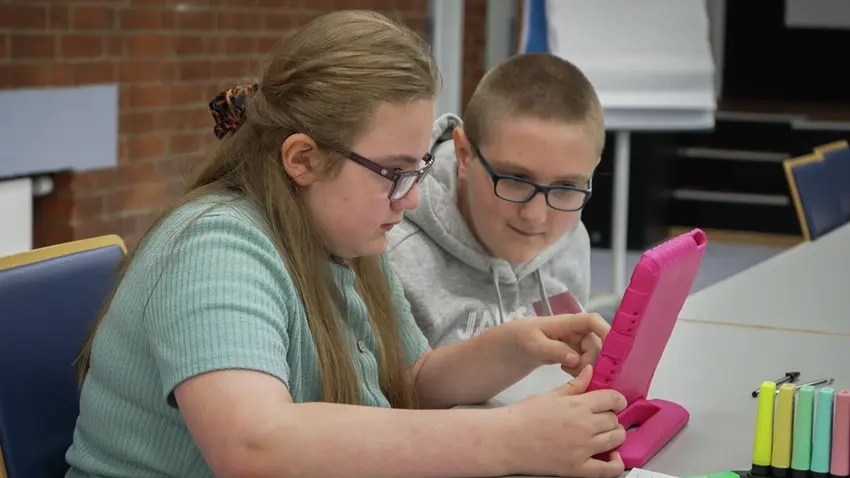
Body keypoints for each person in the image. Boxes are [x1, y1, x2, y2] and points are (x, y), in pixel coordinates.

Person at [64, 11, 626, 478]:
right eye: (395, 172)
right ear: (303, 160)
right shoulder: (213, 245)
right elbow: (255, 446)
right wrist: (510, 439)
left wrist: (516, 346)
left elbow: (411, 379)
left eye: (420, 169)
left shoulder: (342, 236)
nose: (409, 200)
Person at [388, 53, 604, 348]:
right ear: (465, 156)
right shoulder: (394, 251)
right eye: (515, 180)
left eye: (565, 187)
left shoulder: (571, 236)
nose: (536, 216)